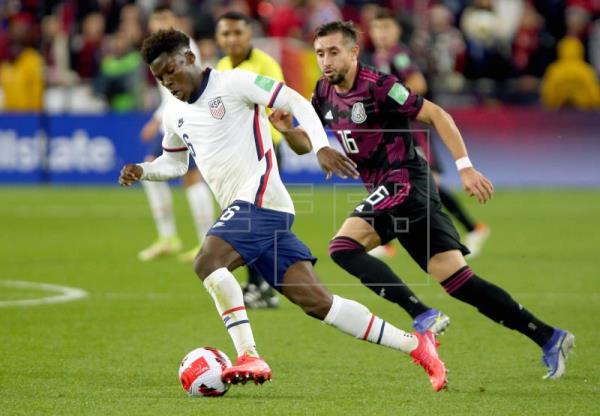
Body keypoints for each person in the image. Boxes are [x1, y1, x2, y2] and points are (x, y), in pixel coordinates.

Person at [119, 28, 447, 391]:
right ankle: (417, 345)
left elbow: (295, 102)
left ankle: (248, 354)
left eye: (171, 71)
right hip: (253, 212)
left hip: (261, 200)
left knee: (206, 261)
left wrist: (320, 145)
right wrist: (145, 171)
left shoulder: (233, 84)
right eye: (160, 77)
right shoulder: (174, 115)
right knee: (320, 303)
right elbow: (176, 164)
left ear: (190, 59)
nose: (168, 82)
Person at [269, 21, 574, 380]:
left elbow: (436, 115)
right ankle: (549, 336)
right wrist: (288, 130)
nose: (325, 61)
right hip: (392, 190)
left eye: (333, 52)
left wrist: (465, 168)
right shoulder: (322, 92)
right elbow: (307, 142)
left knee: (342, 247)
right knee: (458, 280)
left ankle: (421, 313)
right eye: (320, 53)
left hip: (406, 182)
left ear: (353, 52)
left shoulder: (379, 86)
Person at [368, 9, 490, 258]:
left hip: (413, 130)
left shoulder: (399, 55)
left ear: (397, 31)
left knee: (424, 184)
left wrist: (390, 103)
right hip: (397, 131)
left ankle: (471, 228)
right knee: (400, 183)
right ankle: (388, 241)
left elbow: (419, 84)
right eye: (377, 29)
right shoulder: (379, 57)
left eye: (386, 28)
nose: (381, 34)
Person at [215, 11, 284, 309]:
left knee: (254, 219)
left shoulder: (265, 65)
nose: (231, 39)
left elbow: (278, 105)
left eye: (237, 33)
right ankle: (262, 286)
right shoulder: (221, 66)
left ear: (249, 35)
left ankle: (258, 285)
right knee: (249, 220)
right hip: (238, 153)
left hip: (264, 151)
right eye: (225, 34)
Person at [137, 6, 215, 262]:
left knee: (191, 177)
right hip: (172, 121)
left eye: (165, 18)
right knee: (152, 170)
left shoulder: (181, 45)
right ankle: (168, 237)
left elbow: (188, 85)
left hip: (187, 119)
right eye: (156, 19)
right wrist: (158, 118)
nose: (159, 23)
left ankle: (205, 241)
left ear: (175, 21)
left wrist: (159, 118)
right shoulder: (160, 49)